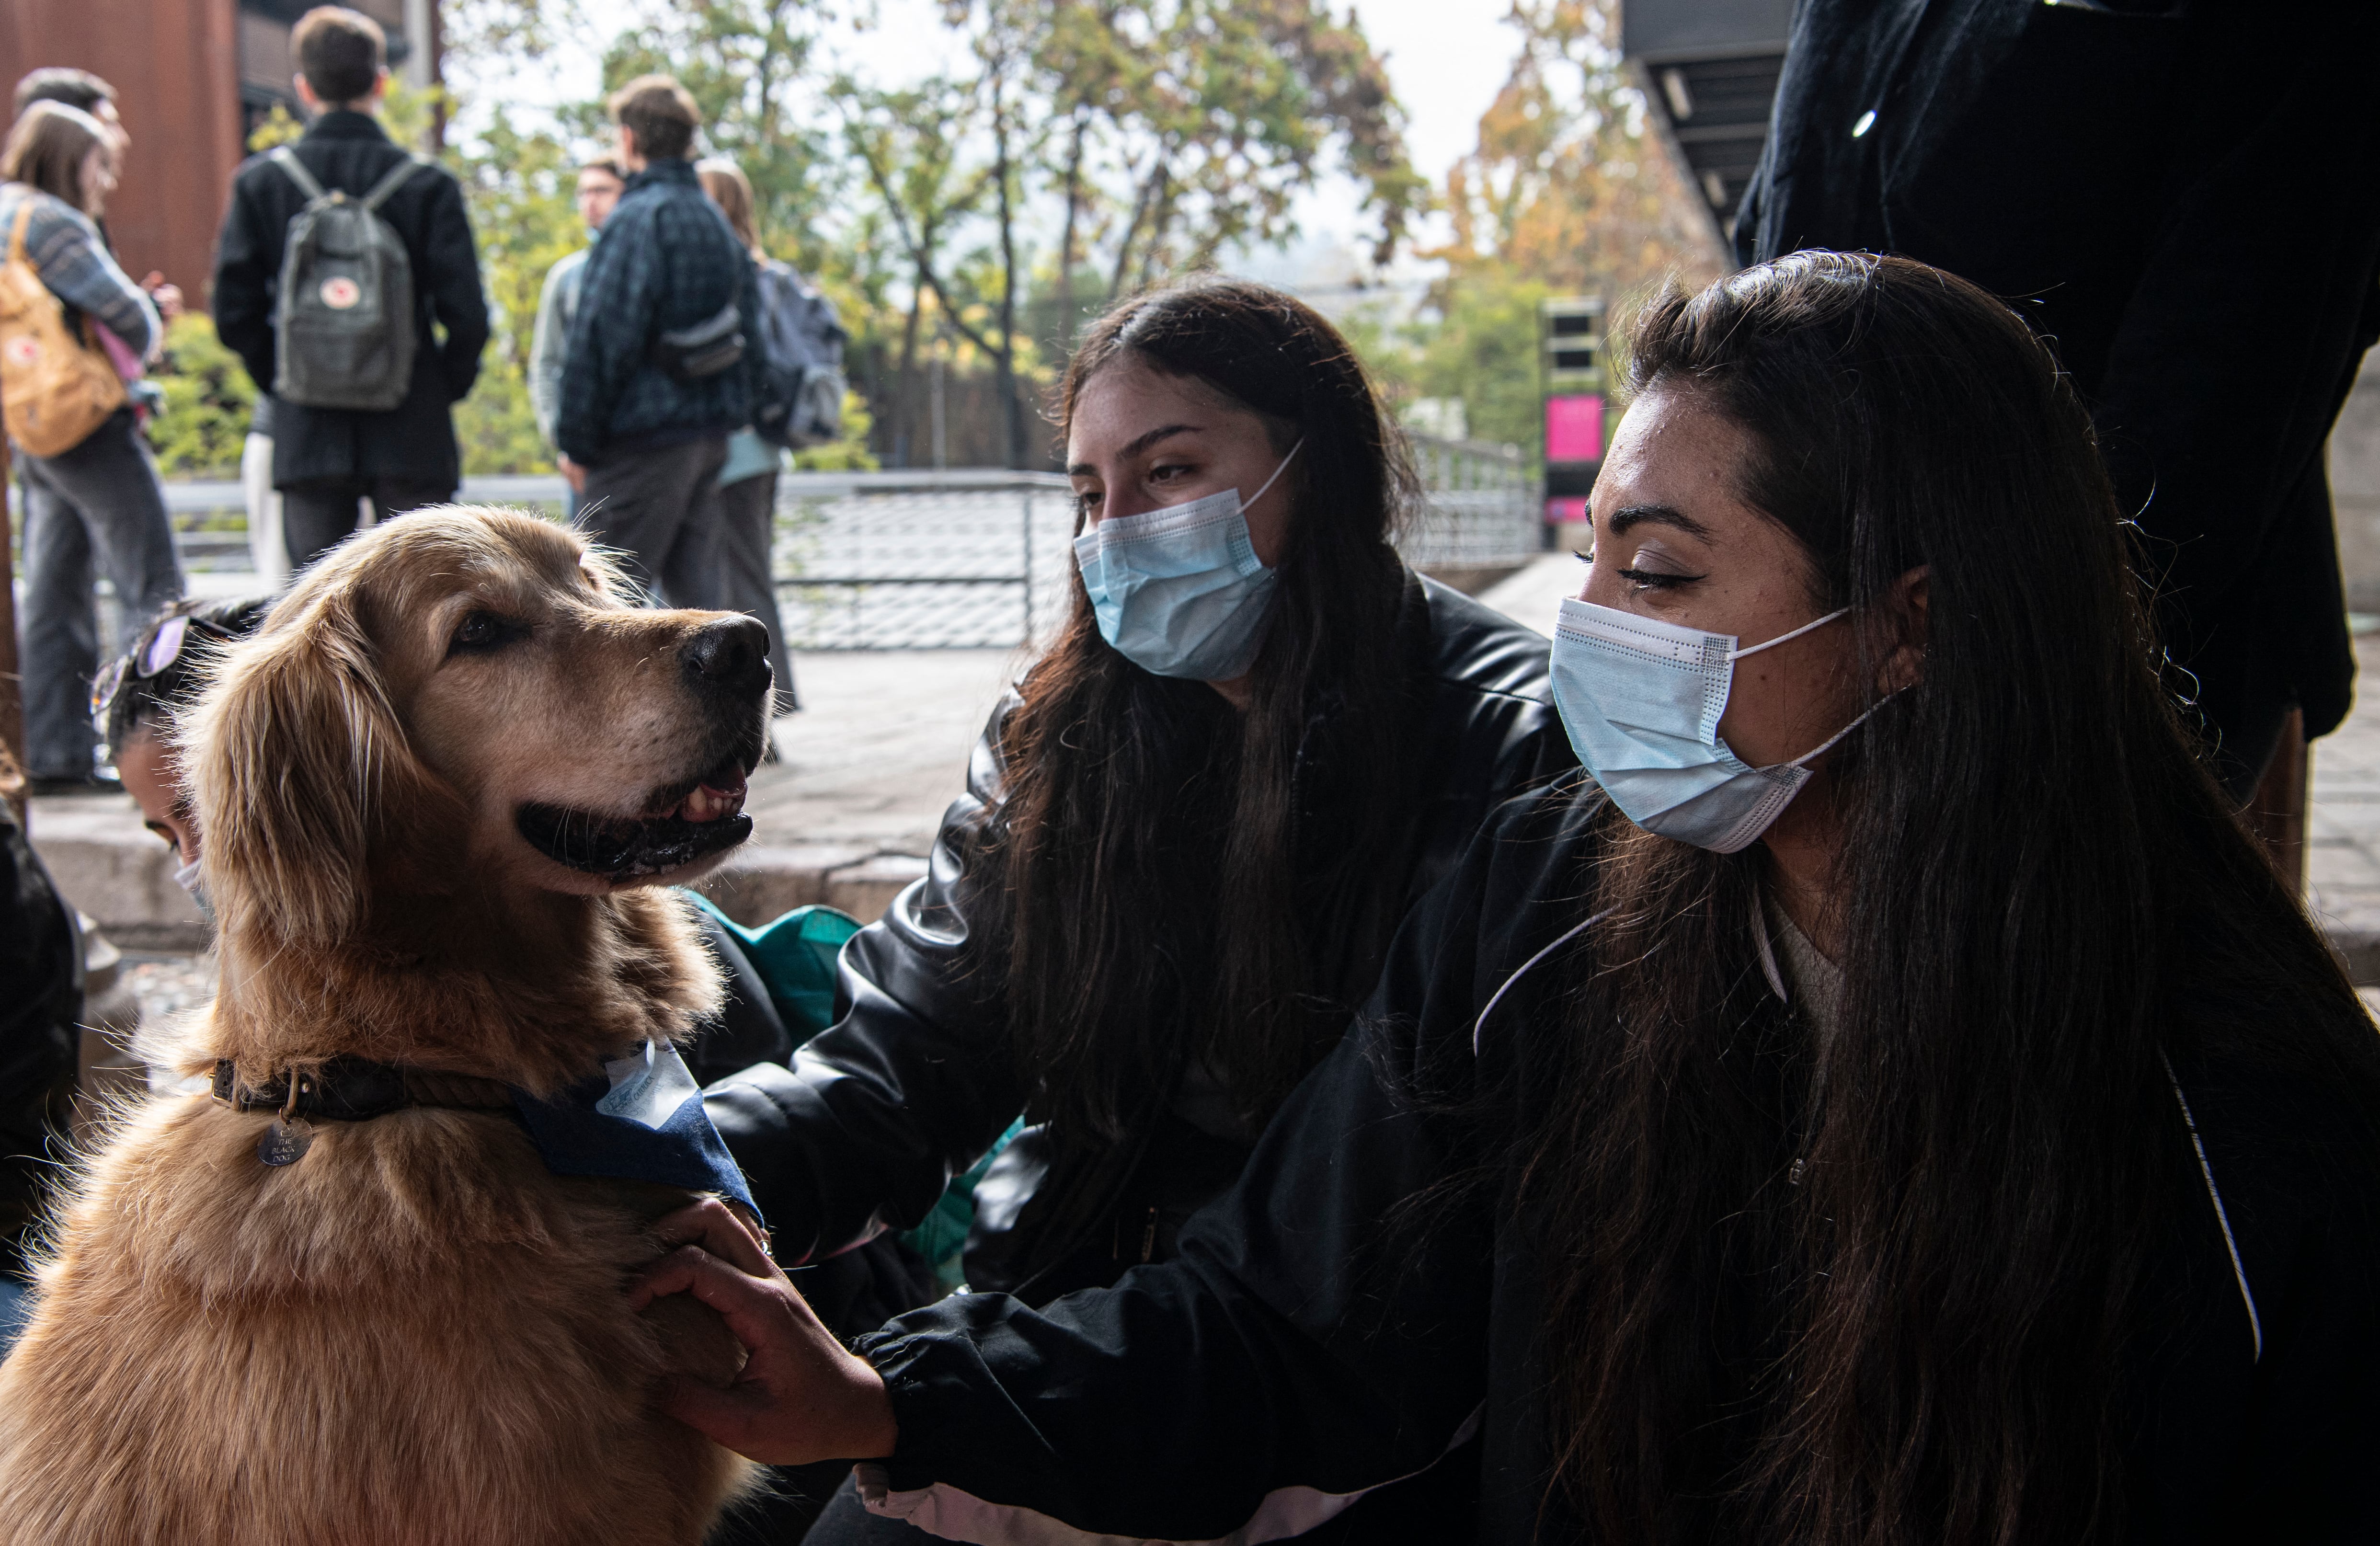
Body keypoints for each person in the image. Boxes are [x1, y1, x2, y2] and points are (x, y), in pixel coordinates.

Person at [642, 254, 2380, 1543]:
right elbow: (1289, 1304)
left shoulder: (2234, 1139)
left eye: (1663, 571)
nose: (1596, 631)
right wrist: (887, 1389)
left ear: (1912, 623)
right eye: (1597, 549)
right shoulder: (1563, 897)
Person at [697, 275, 1574, 1540]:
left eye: (1169, 472)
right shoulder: (1057, 731)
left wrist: (909, 1391)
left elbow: (1340, 1277)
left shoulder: (1504, 748)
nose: (1118, 531)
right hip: (1058, 1332)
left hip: (1324, 1417)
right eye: (1090, 495)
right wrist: (630, 1188)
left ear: (1313, 472)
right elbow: (904, 1066)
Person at [1733, 0, 2380, 833]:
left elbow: (2227, 372)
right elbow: (1775, 250)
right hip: (1823, 653)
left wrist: (2010, 658)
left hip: (2110, 666)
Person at [210, 5, 489, 574]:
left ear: (304, 87)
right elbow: (467, 316)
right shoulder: (428, 184)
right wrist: (434, 385)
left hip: (308, 432)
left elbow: (233, 311)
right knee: (432, 605)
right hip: (412, 429)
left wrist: (288, 379)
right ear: (381, 83)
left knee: (318, 615)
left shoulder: (262, 182)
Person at [3, 100, 181, 794]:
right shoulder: (51, 220)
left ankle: (50, 753)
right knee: (153, 584)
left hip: (34, 423)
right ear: (71, 159)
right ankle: (165, 755)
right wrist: (150, 320)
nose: (106, 179)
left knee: (51, 590)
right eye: (100, 163)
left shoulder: (4, 211)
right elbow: (129, 318)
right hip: (90, 424)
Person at [554, 76, 758, 610]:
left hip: (640, 443)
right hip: (707, 436)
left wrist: (576, 439)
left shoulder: (638, 219)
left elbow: (601, 335)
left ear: (628, 139)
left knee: (593, 600)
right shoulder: (712, 219)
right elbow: (749, 327)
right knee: (702, 602)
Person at [694, 156, 797, 717]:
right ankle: (768, 705)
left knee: (728, 578)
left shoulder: (726, 273)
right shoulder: (764, 272)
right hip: (762, 448)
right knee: (749, 573)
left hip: (730, 448)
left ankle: (759, 708)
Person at [11, 68, 183, 326]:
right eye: (107, 124)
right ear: (69, 132)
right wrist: (143, 315)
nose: (121, 139)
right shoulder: (54, 222)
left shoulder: (18, 208)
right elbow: (132, 325)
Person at [528, 156, 626, 521]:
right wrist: (563, 438)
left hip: (646, 448)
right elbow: (546, 363)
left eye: (603, 190)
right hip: (587, 451)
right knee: (588, 566)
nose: (592, 201)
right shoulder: (567, 277)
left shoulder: (646, 267)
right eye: (584, 192)